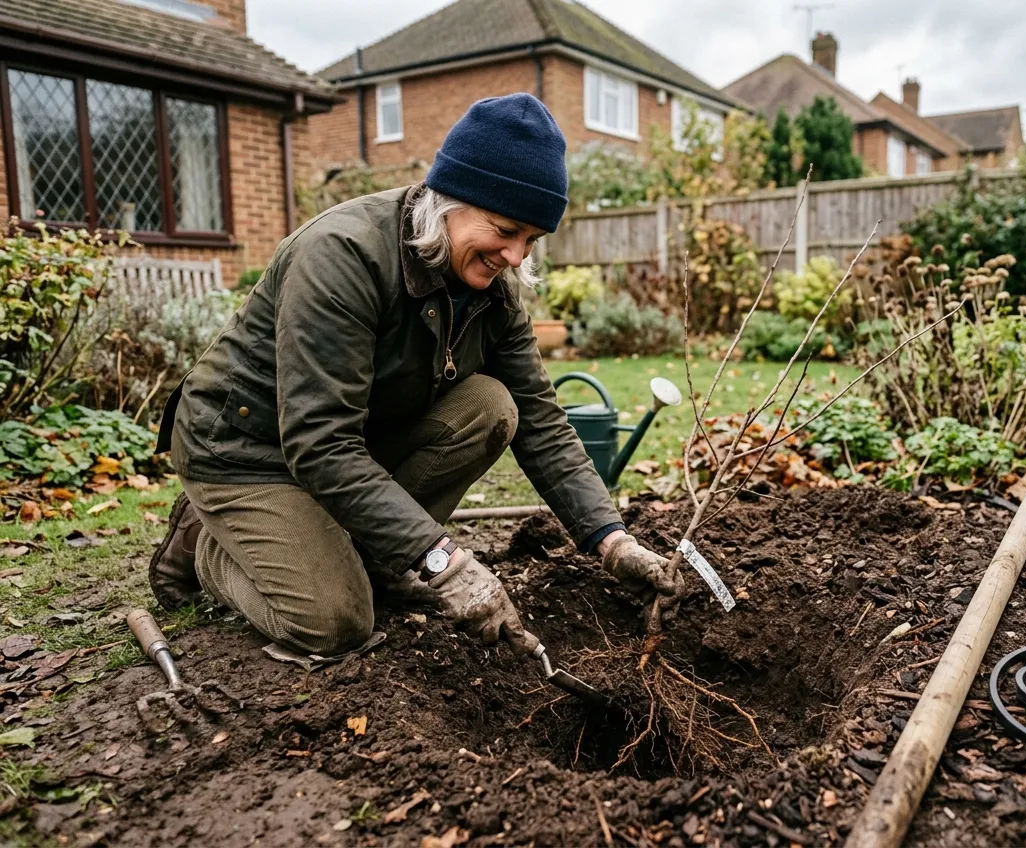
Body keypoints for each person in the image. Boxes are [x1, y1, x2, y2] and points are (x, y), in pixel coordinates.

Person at [148, 93, 677, 658]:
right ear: (451, 201)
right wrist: (441, 560)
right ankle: (209, 548)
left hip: (347, 440)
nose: (518, 256)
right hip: (245, 448)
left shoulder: (495, 290)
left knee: (491, 406)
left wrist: (611, 540)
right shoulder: (343, 257)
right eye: (505, 229)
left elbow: (541, 421)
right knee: (337, 621)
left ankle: (372, 556)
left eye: (533, 240)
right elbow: (320, 443)